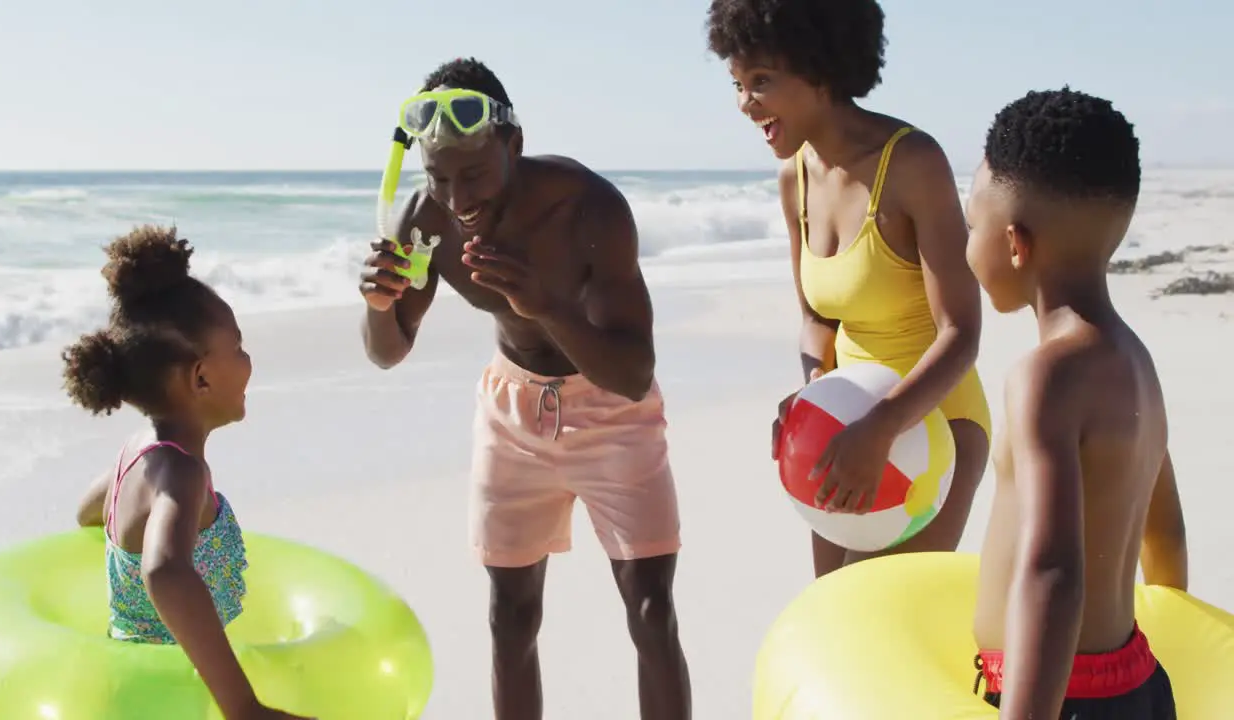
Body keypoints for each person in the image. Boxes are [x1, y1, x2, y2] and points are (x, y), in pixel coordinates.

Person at [358, 57, 691, 720]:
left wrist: (545, 306)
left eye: (474, 174)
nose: (457, 198)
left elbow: (632, 376)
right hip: (512, 414)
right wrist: (376, 302)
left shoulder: (588, 209)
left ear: (514, 144)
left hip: (610, 411)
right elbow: (387, 354)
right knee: (509, 616)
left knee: (651, 609)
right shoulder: (426, 219)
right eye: (439, 176)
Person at [705, 0, 991, 575]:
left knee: (880, 621)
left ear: (822, 67)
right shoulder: (795, 177)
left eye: (761, 81)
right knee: (833, 613)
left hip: (930, 421)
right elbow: (816, 318)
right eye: (737, 83)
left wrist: (881, 425)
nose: (744, 103)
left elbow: (962, 332)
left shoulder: (913, 163)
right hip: (846, 426)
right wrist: (815, 396)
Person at [965, 87, 1187, 719]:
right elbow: (1164, 533)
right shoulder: (1134, 363)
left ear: (1014, 244)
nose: (964, 247)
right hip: (1136, 684)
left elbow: (1051, 573)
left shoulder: (1046, 378)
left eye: (970, 227)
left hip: (1063, 698)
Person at [67, 225, 310, 720]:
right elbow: (165, 572)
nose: (248, 360)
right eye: (238, 347)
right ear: (201, 377)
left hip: (130, 688)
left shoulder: (137, 455)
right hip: (174, 697)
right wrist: (243, 707)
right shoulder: (181, 474)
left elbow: (88, 511)